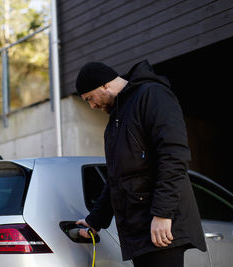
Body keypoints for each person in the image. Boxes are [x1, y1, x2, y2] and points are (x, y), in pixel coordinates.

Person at [75, 60, 207, 267]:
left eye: (90, 98)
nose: (92, 106)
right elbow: (116, 178)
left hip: (161, 225)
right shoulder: (116, 119)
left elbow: (174, 155)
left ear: (105, 85)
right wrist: (95, 220)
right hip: (138, 230)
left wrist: (163, 214)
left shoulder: (152, 95)